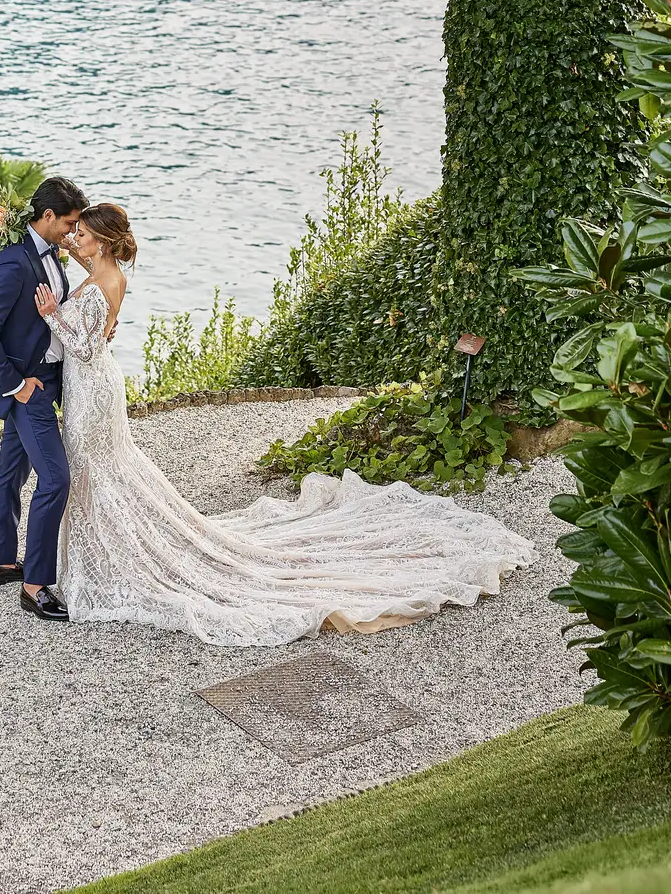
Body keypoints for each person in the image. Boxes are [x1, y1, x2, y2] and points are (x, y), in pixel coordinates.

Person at [34, 201, 536, 646]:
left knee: (99, 470)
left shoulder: (102, 283)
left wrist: (54, 315)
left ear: (101, 241)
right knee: (101, 472)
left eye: (82, 234)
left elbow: (85, 347)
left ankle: (109, 563)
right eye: (74, 233)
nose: (74, 239)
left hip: (93, 389)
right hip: (93, 387)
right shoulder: (103, 277)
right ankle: (97, 556)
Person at [0, 173, 87, 620]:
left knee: (11, 470)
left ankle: (0, 562)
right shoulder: (12, 262)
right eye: (69, 223)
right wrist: (17, 386)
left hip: (50, 379)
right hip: (28, 388)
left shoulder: (53, 253)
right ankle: (36, 584)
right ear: (47, 215)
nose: (73, 232)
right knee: (56, 479)